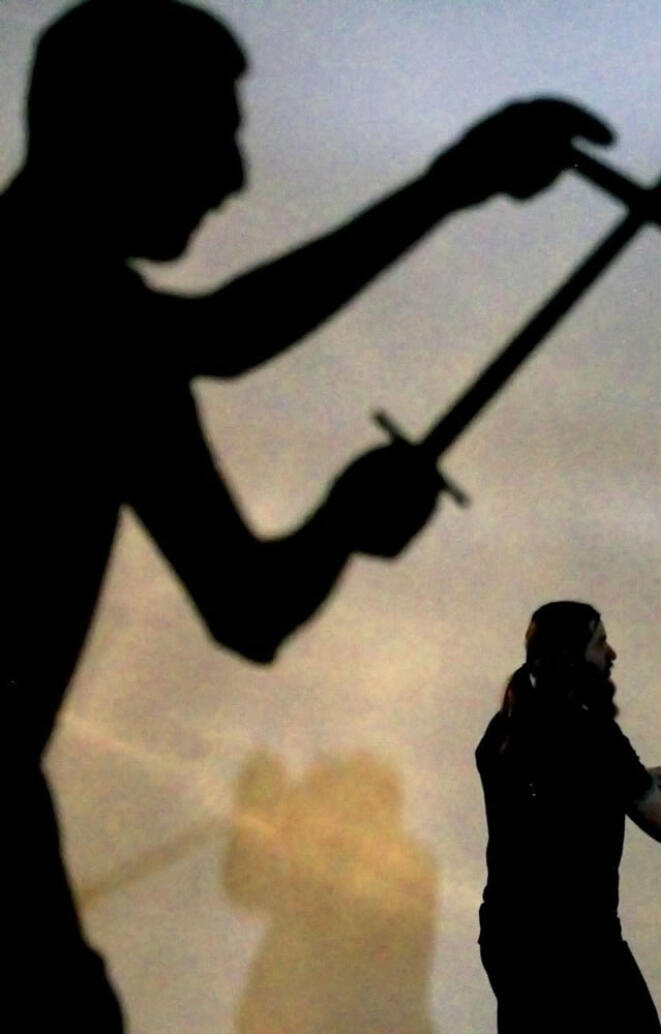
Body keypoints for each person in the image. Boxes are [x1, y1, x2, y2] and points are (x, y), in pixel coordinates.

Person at [3, 1, 613, 1029]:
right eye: (209, 136)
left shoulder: (112, 348)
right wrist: (449, 187)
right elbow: (227, 344)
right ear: (116, 130)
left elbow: (248, 601)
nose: (231, 179)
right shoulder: (105, 340)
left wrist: (339, 521)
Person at [476, 601, 661, 1033]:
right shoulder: (593, 735)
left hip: (510, 940)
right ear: (571, 658)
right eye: (600, 643)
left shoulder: (506, 728)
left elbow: (554, 799)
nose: (612, 654)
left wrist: (636, 782)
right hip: (580, 947)